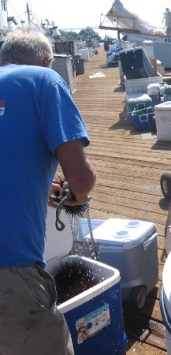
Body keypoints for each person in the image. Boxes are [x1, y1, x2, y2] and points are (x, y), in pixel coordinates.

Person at [0, 28, 96, 354]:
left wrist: (41, 187)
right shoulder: (44, 80)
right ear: (47, 60)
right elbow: (82, 180)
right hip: (10, 270)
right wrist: (77, 197)